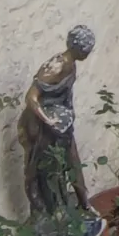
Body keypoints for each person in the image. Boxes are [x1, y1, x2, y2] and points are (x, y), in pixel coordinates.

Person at [18, 25, 95, 222]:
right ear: (78, 49)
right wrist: (48, 120)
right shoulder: (56, 66)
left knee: (72, 160)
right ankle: (49, 211)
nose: (88, 54)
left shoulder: (72, 64)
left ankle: (83, 203)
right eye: (86, 50)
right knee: (46, 169)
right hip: (40, 125)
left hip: (61, 124)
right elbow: (31, 97)